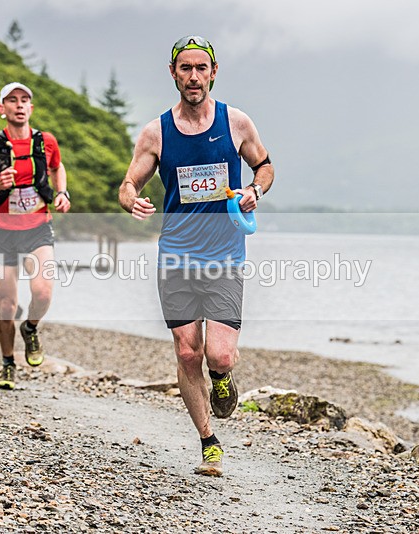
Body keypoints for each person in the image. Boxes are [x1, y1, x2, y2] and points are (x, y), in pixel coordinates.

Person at [118, 36, 274, 476]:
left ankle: (223, 379)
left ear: (213, 71)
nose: (193, 76)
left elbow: (265, 165)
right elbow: (128, 183)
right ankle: (209, 441)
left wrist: (254, 189)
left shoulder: (236, 122)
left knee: (219, 355)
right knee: (188, 353)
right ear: (173, 73)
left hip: (225, 255)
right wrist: (130, 199)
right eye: (184, 68)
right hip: (176, 256)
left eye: (200, 68)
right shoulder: (156, 132)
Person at [0, 82, 71, 390]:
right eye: (11, 100)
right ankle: (7, 364)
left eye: (24, 100)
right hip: (3, 234)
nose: (18, 105)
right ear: (2, 108)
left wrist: (63, 192)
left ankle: (30, 328)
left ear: (31, 108)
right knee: (5, 304)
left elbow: (57, 167)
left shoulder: (45, 141)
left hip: (39, 228)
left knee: (42, 293)